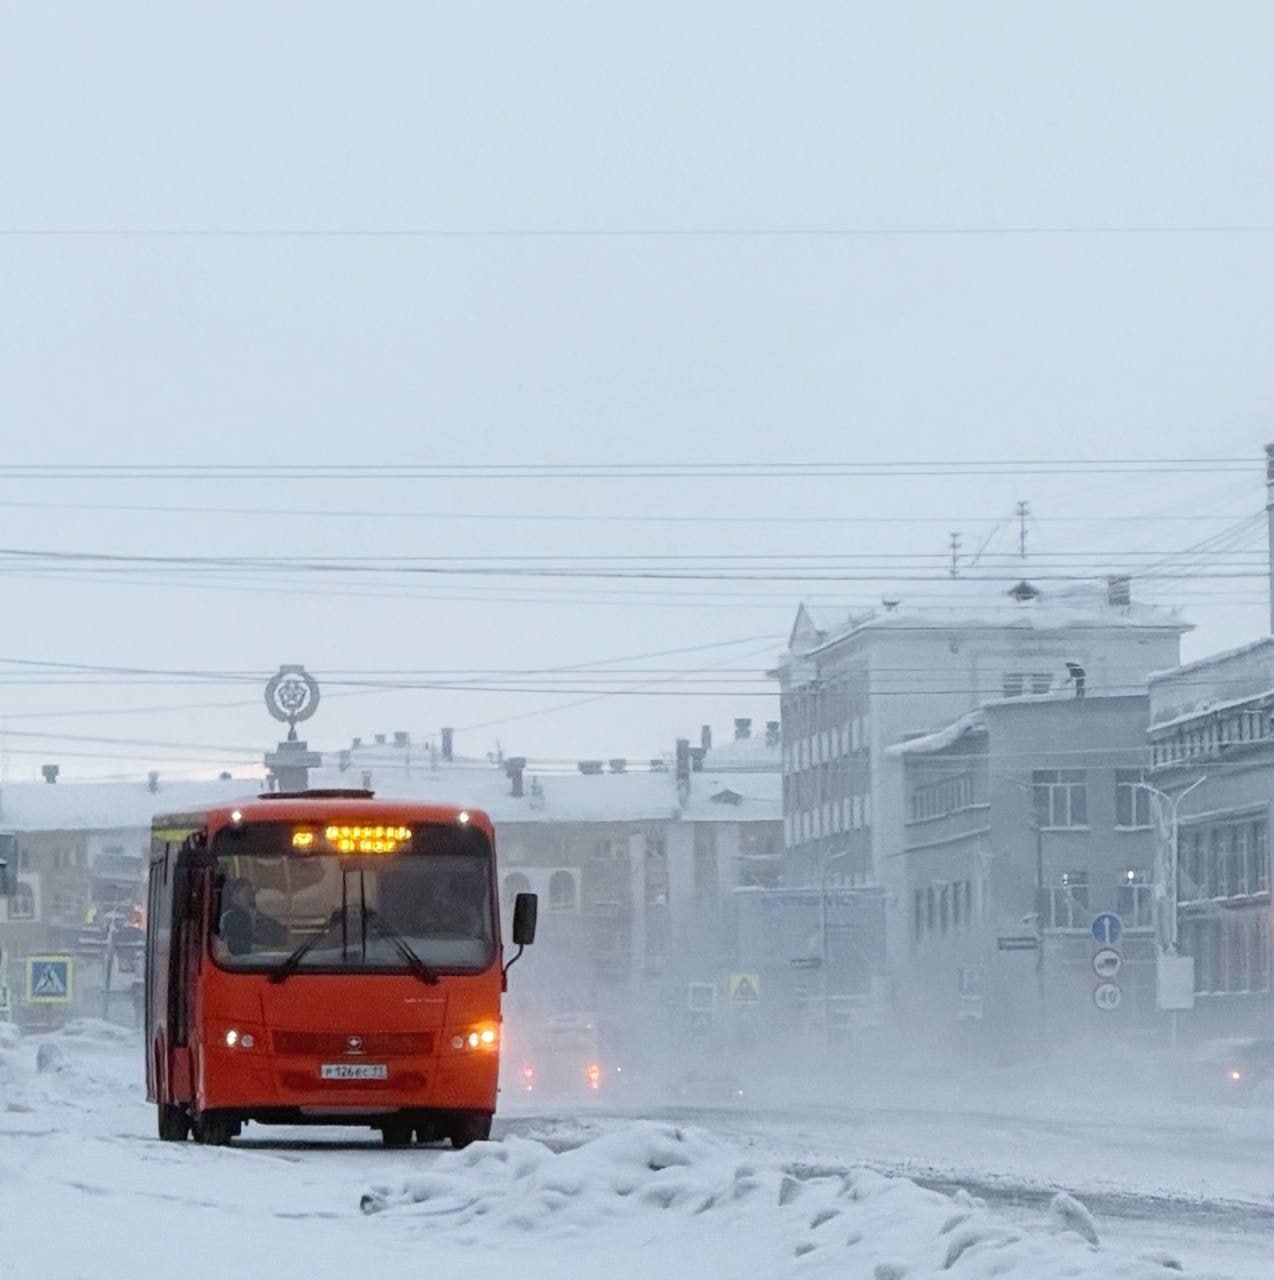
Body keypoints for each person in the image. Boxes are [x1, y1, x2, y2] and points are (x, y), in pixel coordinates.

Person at [218, 877, 287, 956]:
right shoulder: (230, 917)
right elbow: (238, 946)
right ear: (235, 897)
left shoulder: (260, 916)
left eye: (253, 894)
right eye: (247, 894)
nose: (251, 898)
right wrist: (253, 923)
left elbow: (280, 935)